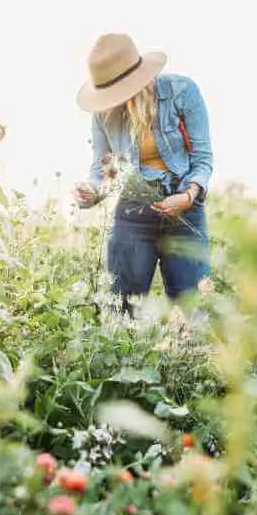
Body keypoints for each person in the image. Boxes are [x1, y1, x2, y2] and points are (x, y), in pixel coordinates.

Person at [74, 33, 213, 314]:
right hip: (133, 215)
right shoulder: (103, 114)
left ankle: (189, 355)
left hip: (184, 212)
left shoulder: (182, 92)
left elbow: (203, 159)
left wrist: (187, 196)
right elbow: (101, 169)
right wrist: (91, 191)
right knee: (121, 311)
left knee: (192, 309)